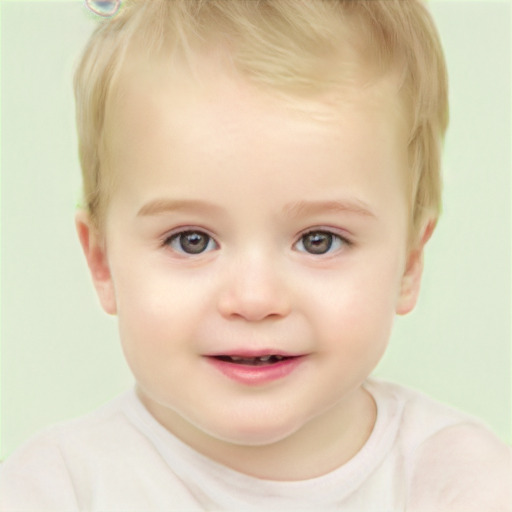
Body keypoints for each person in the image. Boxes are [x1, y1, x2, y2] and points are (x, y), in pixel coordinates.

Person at [1, 0, 510, 510]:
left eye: (319, 240)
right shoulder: (57, 488)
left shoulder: (459, 482)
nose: (254, 298)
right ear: (103, 262)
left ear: (409, 263)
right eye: (191, 240)